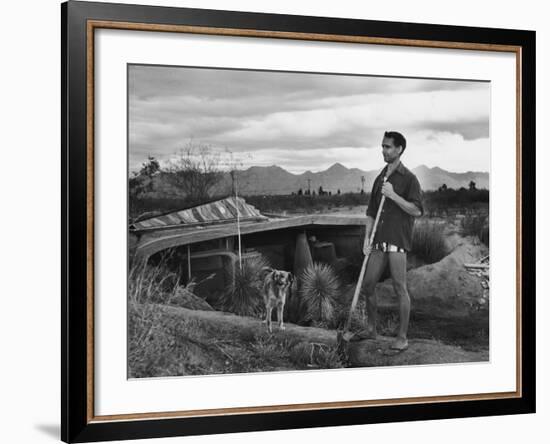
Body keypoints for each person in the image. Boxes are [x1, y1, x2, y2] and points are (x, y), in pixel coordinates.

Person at [353, 131, 423, 350]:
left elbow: (417, 210)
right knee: (368, 285)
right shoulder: (379, 178)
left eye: (388, 147)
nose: (384, 150)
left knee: (400, 287)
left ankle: (402, 337)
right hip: (377, 241)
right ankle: (372, 330)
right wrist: (366, 238)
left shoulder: (409, 178)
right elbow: (371, 212)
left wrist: (393, 195)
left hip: (397, 241)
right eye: (382, 146)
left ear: (399, 149)